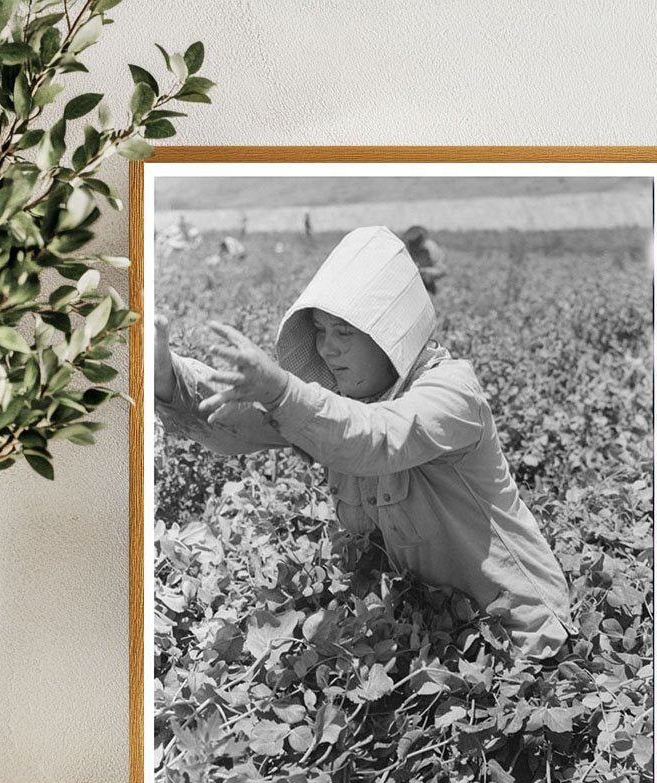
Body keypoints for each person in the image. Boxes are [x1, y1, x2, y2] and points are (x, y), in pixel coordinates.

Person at [155, 226, 573, 659]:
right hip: (437, 643)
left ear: (388, 334)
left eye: (344, 332)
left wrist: (283, 391)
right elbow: (248, 422)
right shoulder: (342, 401)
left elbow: (377, 438)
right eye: (319, 331)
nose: (328, 349)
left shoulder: (452, 391)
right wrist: (170, 378)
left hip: (522, 644)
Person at [402, 224, 447, 295]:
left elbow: (442, 271)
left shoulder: (431, 248)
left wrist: (424, 271)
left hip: (431, 283)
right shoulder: (407, 248)